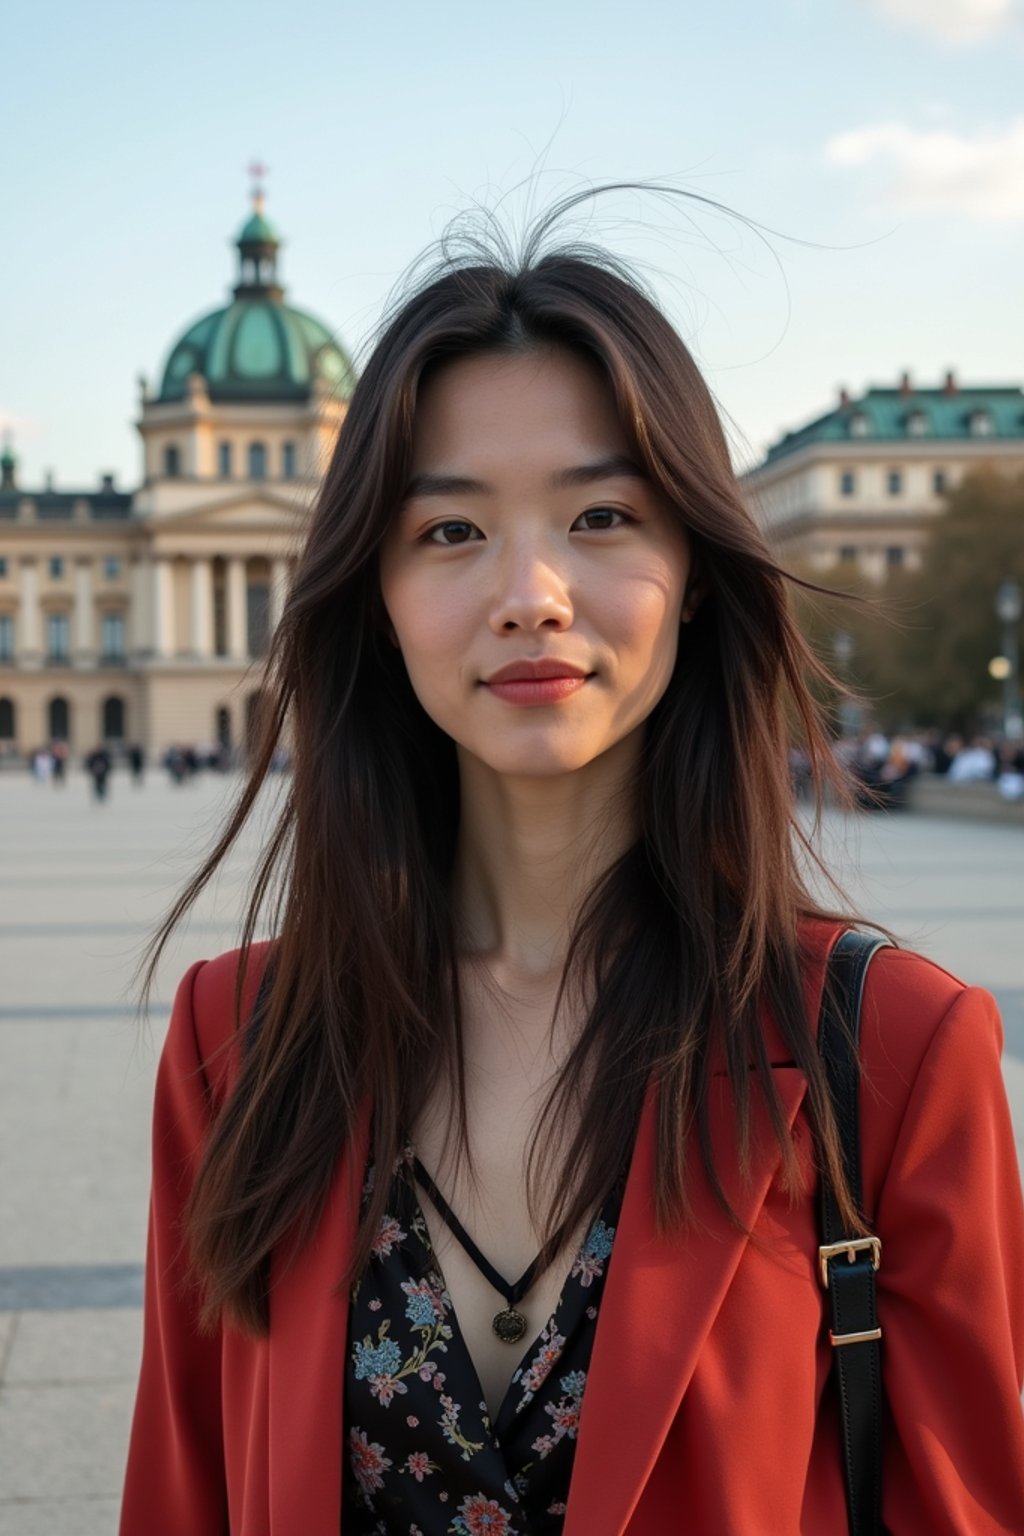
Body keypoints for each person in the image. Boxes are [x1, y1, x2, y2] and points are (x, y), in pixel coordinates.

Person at [120, 195, 1024, 1535]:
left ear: (697, 569)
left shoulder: (892, 1050)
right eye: (449, 530)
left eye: (601, 515)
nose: (530, 591)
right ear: (372, 588)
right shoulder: (235, 1042)